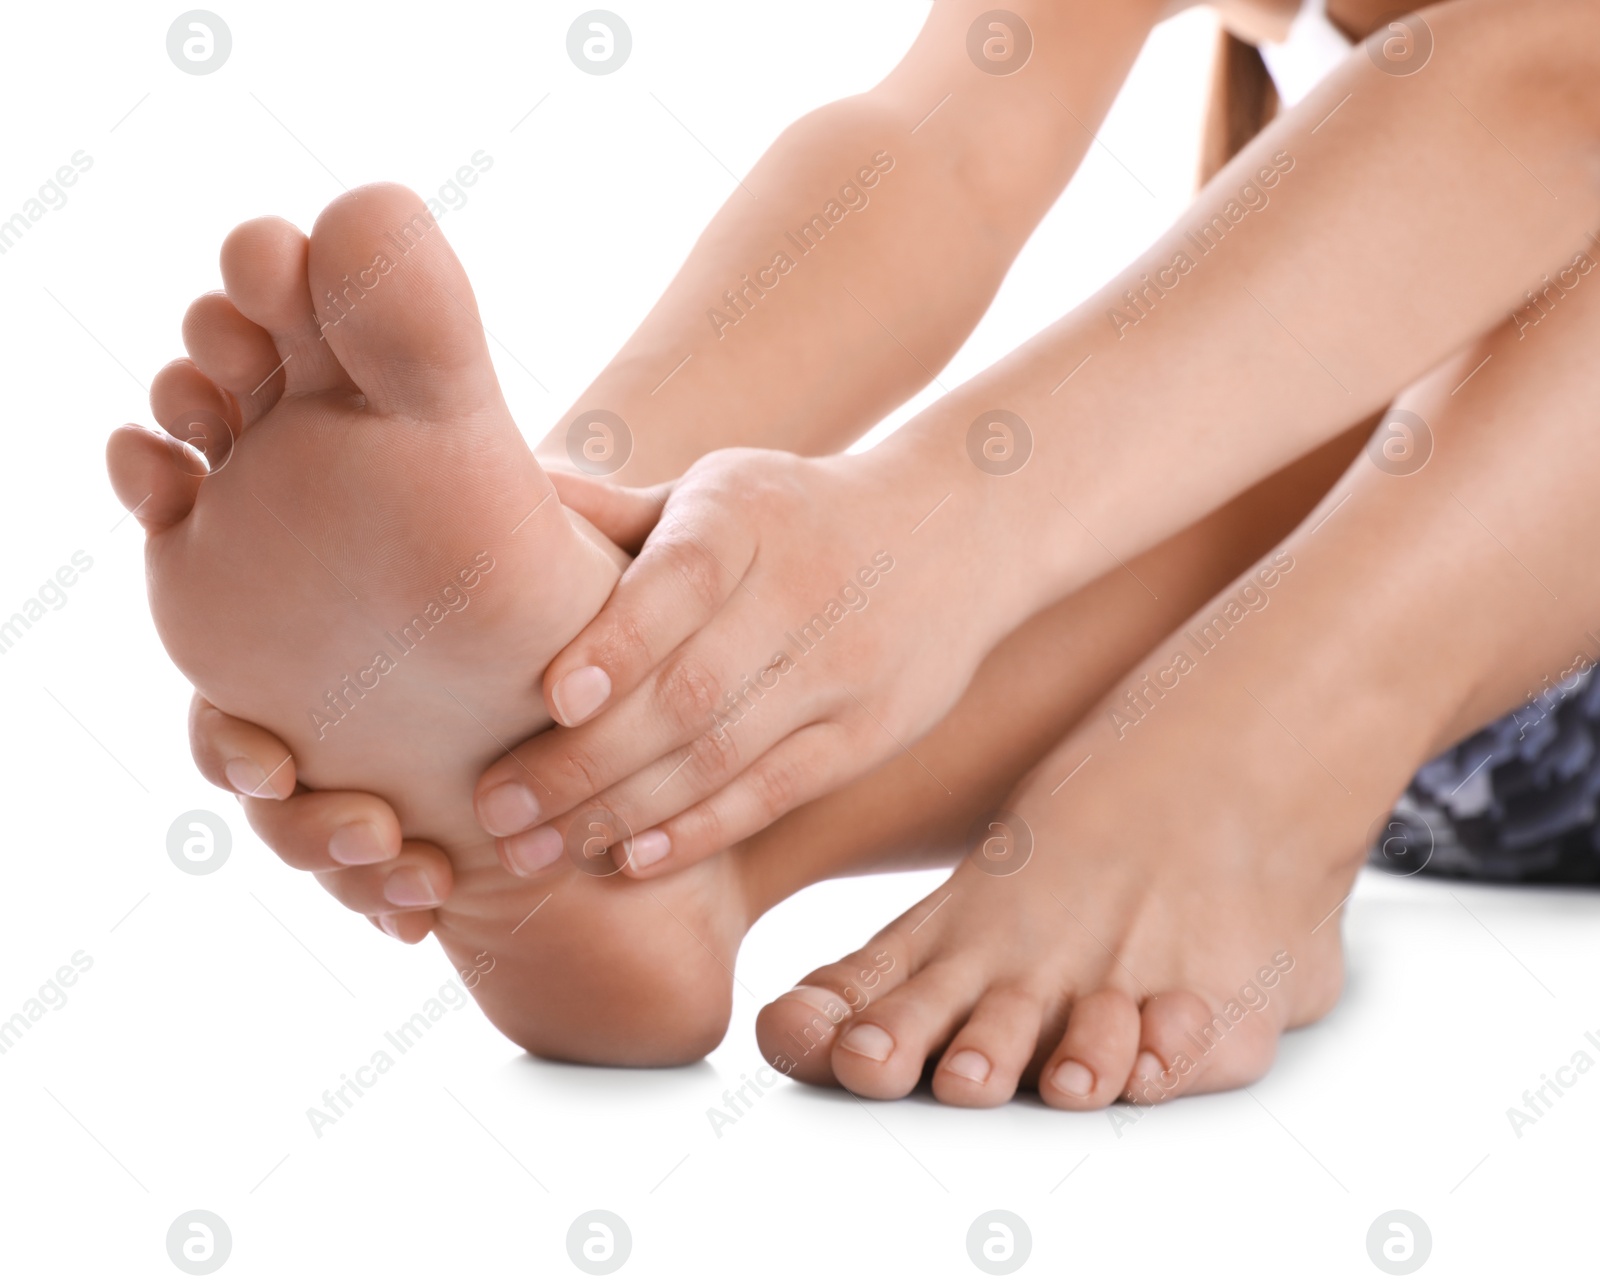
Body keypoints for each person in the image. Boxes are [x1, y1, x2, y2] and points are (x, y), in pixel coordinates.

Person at [110, 0, 1600, 1105]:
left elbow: (1552, 83)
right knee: (1313, 389)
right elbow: (940, 142)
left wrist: (944, 518)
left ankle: (1258, 757)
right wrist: (607, 569)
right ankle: (682, 847)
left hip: (1358, 684)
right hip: (1477, 622)